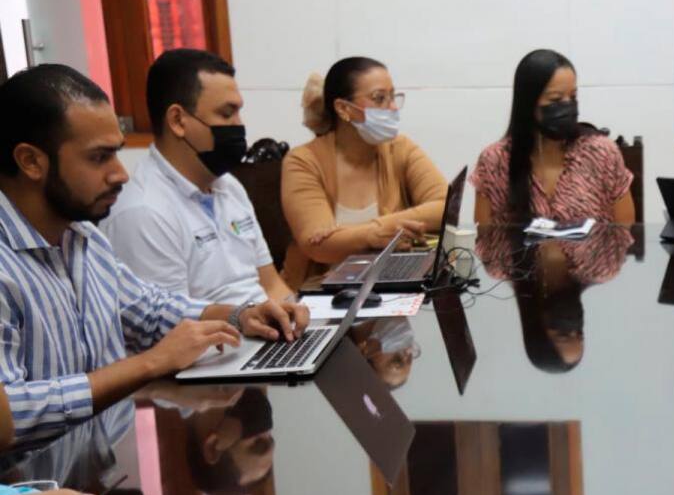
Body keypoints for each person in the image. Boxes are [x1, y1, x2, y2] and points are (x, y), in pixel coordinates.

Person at [0, 64, 307, 447]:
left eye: (117, 153)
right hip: (33, 492)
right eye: (99, 158)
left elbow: (149, 309)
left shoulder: (83, 239)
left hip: (103, 460)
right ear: (31, 162)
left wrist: (239, 315)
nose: (120, 174)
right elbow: (7, 414)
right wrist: (151, 363)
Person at [101, 49, 293, 304]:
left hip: (265, 333)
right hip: (225, 340)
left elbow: (272, 286)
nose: (239, 125)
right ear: (178, 120)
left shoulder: (228, 185)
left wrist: (299, 322)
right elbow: (175, 331)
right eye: (226, 114)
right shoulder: (143, 212)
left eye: (238, 113)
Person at [282, 57, 447, 287]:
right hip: (319, 292)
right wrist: (374, 236)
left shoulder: (400, 148)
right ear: (343, 108)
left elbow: (444, 206)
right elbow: (318, 246)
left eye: (393, 97)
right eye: (380, 98)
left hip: (389, 284)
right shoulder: (303, 161)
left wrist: (373, 229)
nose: (391, 108)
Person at [471, 49, 634, 227]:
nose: (567, 105)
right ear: (528, 102)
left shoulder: (602, 153)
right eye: (555, 99)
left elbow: (625, 232)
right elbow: (486, 239)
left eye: (573, 97)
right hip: (521, 256)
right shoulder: (494, 161)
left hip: (593, 255)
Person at [476, 223, 632, 372]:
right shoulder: (603, 267)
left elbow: (482, 198)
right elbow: (620, 199)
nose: (572, 325)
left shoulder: (500, 262)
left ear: (537, 330)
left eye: (563, 334)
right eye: (579, 332)